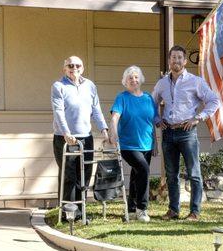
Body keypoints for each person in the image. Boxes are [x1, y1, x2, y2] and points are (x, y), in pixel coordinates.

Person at [152, 45, 220, 221]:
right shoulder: (162, 83)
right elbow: (151, 104)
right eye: (173, 58)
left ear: (185, 60)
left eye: (179, 58)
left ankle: (194, 212)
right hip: (168, 132)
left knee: (194, 173)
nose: (176, 61)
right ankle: (173, 210)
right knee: (171, 174)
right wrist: (157, 120)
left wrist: (198, 118)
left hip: (187, 132)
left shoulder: (195, 81)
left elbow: (214, 100)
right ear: (169, 60)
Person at [51, 56, 109, 219]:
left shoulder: (90, 85)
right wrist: (66, 132)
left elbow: (96, 109)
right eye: (70, 65)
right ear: (64, 69)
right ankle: (68, 213)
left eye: (77, 65)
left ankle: (80, 210)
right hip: (65, 138)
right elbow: (59, 111)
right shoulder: (59, 86)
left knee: (84, 174)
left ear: (82, 68)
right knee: (69, 175)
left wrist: (103, 128)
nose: (74, 68)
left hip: (86, 137)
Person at [108, 65, 158, 223]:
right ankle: (142, 209)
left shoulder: (148, 98)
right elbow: (115, 117)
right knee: (143, 169)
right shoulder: (122, 98)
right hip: (128, 145)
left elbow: (152, 121)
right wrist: (113, 134)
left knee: (137, 174)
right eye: (130, 78)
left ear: (141, 79)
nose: (133, 80)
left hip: (147, 144)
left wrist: (155, 143)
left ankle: (131, 207)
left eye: (136, 77)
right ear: (125, 81)